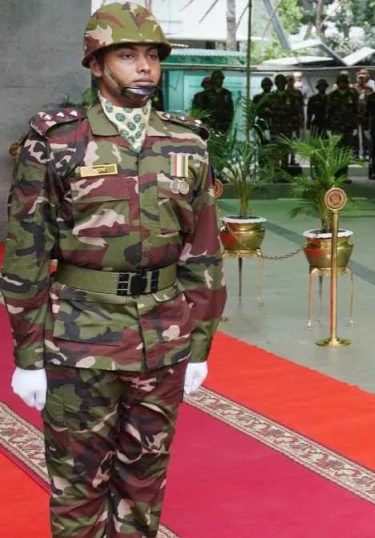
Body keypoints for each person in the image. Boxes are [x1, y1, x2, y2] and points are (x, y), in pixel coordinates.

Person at [4, 3, 226, 536]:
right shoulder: (57, 143)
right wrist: (28, 357)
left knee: (144, 485)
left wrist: (199, 345)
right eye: (127, 55)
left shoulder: (187, 143)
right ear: (96, 65)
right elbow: (26, 255)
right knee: (78, 487)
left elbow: (203, 254)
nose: (145, 67)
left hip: (163, 339)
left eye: (152, 55)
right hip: (79, 340)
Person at [326, 73, 360, 151]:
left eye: (344, 82)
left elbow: (356, 111)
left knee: (350, 148)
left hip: (349, 126)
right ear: (338, 83)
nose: (342, 84)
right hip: (336, 126)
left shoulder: (353, 94)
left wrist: (356, 126)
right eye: (341, 82)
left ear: (347, 83)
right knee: (336, 148)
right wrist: (328, 127)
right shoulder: (332, 95)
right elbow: (328, 112)